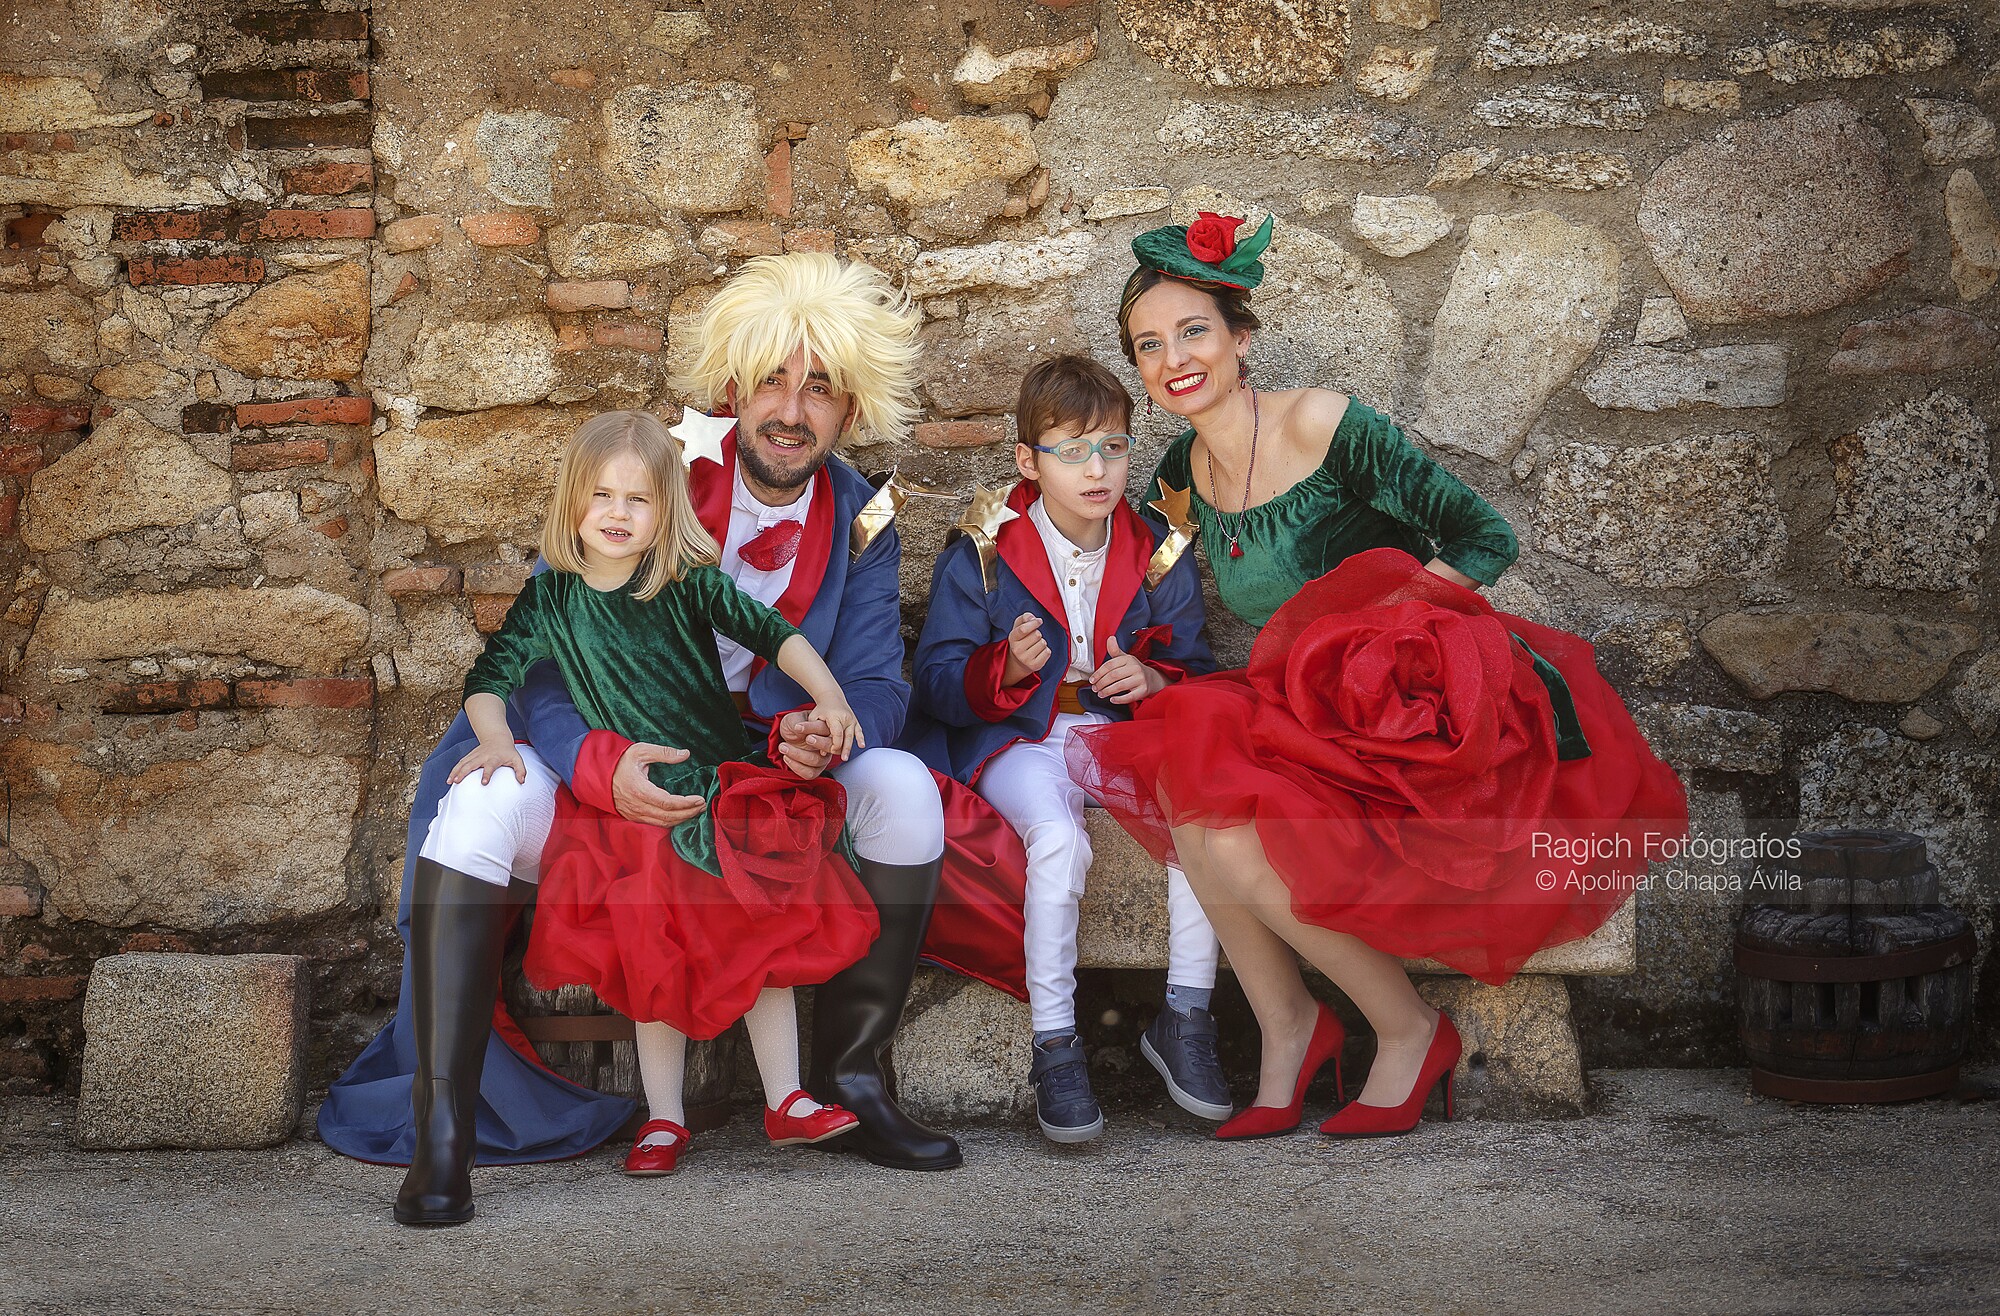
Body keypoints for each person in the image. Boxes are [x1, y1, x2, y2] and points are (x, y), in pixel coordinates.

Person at [321, 253, 990, 1228]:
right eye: (770, 380)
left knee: (906, 790)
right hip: (609, 752)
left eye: (818, 388)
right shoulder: (649, 474)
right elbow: (545, 662)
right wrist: (600, 765)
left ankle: (850, 1081)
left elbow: (880, 680)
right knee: (478, 806)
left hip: (759, 776)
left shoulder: (861, 515)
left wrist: (829, 728)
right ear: (732, 388)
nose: (790, 410)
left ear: (850, 408)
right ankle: (443, 1133)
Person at [1068, 213, 1689, 1141]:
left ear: (1242, 338)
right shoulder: (1177, 475)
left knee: (1234, 834)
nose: (1174, 359)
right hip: (1302, 701)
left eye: (1193, 331)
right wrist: (1118, 650)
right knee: (1191, 792)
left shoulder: (1322, 423)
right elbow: (1145, 575)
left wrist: (1375, 632)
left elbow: (1484, 538)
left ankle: (1408, 1030)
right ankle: (1290, 1025)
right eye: (1149, 345)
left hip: (1418, 695)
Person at [449, 411, 874, 1187]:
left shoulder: (683, 583)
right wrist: (498, 738)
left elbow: (774, 633)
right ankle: (664, 1117)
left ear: (666, 510)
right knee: (652, 961)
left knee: (762, 937)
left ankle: (787, 1098)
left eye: (638, 499)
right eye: (602, 495)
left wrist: (832, 696)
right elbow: (489, 678)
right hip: (634, 811)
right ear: (573, 501)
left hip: (716, 792)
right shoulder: (551, 602)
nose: (618, 513)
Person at [903, 355, 1225, 1143]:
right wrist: (1004, 669)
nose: (1097, 470)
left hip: (1121, 736)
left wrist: (1153, 677)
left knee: (1198, 821)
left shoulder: (1160, 549)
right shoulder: (984, 551)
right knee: (1056, 839)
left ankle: (1186, 1018)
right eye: (1072, 450)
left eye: (1113, 448)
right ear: (1028, 460)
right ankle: (1055, 1043)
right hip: (1024, 739)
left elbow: (1197, 665)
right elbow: (936, 681)